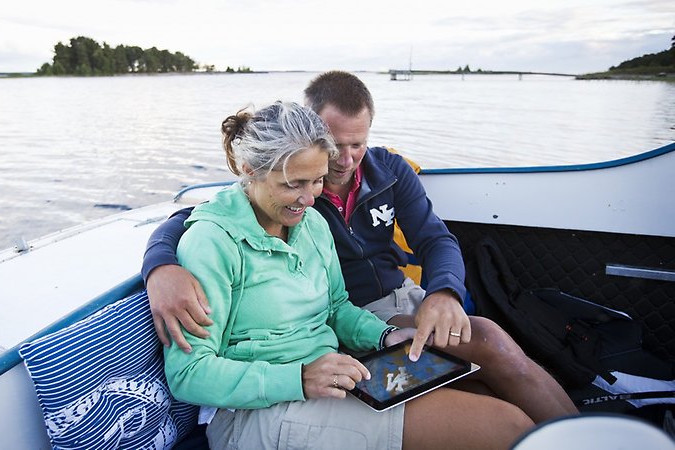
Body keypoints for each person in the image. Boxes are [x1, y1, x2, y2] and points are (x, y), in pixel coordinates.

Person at [144, 71, 578, 423]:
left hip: (355, 340)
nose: (346, 160)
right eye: (336, 147)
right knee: (496, 418)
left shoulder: (339, 197)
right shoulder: (252, 212)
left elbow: (430, 240)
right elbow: (202, 220)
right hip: (314, 364)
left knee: (487, 373)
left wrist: (435, 297)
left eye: (358, 143)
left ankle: (588, 433)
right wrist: (160, 265)